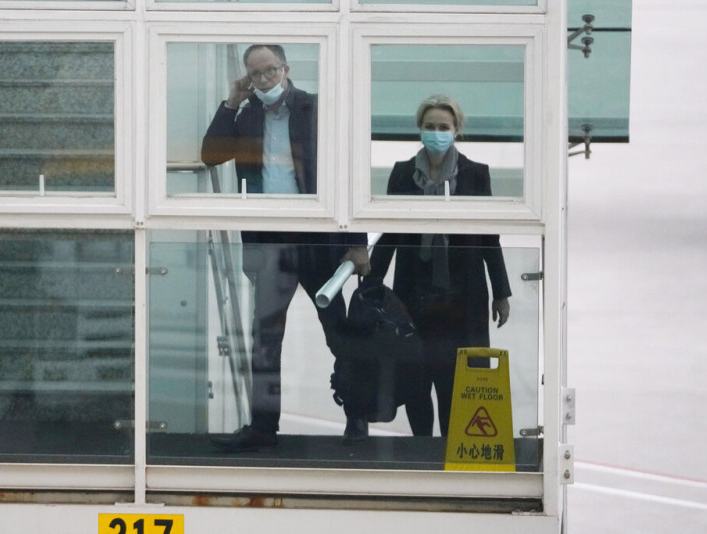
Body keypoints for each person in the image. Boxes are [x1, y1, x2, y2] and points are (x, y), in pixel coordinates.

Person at [201, 44, 370, 450]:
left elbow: (350, 171)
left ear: (286, 68)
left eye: (270, 71)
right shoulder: (247, 115)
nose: (264, 80)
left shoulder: (315, 109)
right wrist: (231, 101)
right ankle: (262, 429)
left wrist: (358, 243)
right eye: (255, 75)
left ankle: (358, 418)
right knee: (266, 338)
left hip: (319, 239)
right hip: (269, 241)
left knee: (338, 333)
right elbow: (211, 155)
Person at [367, 95, 512, 437]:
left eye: (443, 127)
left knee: (454, 379)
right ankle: (422, 448)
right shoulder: (403, 174)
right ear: (420, 129)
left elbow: (488, 238)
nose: (436, 133)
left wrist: (501, 293)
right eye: (430, 127)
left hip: (461, 297)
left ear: (457, 130)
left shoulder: (475, 174)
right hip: (413, 296)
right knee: (416, 378)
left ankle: (449, 447)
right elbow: (390, 232)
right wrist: (371, 283)